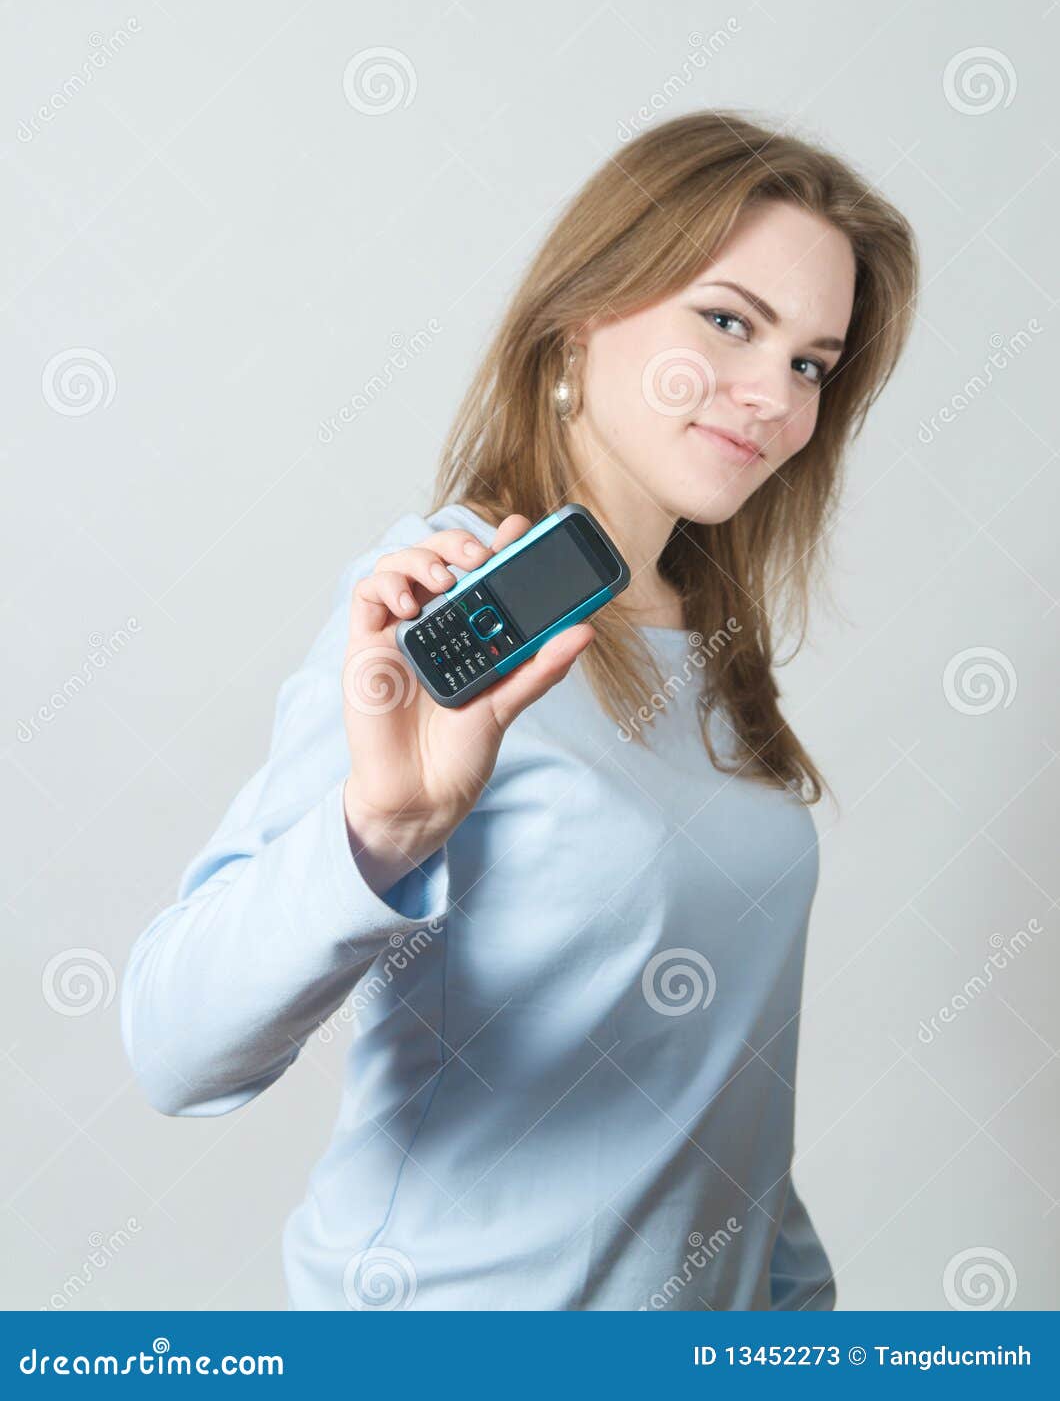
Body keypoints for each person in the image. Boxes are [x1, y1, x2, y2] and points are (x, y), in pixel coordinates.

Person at [121, 111, 917, 1310]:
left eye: (810, 362)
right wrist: (380, 833)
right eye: (727, 321)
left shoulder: (707, 643)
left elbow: (717, 1100)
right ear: (581, 318)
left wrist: (793, 1321)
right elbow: (174, 1046)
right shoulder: (432, 602)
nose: (771, 396)